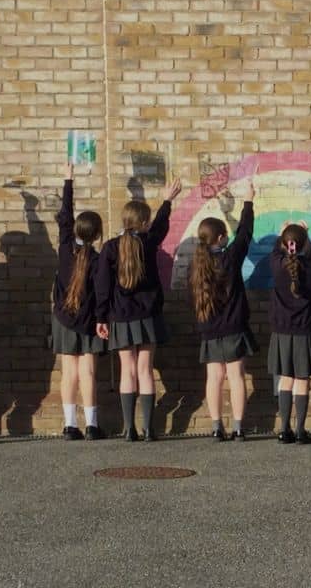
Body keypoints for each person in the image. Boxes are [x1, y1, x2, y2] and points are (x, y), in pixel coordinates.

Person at [96, 178, 184, 442]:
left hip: (121, 316)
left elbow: (102, 286)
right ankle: (148, 429)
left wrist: (101, 317)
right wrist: (167, 200)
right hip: (148, 315)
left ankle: (129, 429)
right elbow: (161, 225)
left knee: (128, 370)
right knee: (145, 370)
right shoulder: (148, 242)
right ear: (144, 223)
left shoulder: (110, 247)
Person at [188, 192, 258, 442]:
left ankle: (217, 427)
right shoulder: (229, 258)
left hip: (209, 329)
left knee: (214, 377)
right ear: (220, 238)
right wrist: (248, 202)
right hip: (234, 327)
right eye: (225, 235)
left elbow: (190, 297)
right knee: (236, 376)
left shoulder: (196, 265)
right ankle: (238, 427)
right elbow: (245, 234)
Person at [50, 160, 106, 441]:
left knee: (68, 372)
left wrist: (68, 180)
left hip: (63, 318)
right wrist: (101, 319)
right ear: (97, 235)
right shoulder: (97, 260)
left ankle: (70, 425)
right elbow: (101, 293)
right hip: (89, 321)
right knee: (89, 372)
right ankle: (92, 425)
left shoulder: (64, 247)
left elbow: (65, 215)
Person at [266, 222, 311, 445]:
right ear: (304, 243)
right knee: (302, 379)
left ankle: (283, 430)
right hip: (305, 329)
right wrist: (305, 235)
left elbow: (276, 251)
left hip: (282, 330)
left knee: (286, 378)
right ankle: (300, 431)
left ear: (284, 243)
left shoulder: (276, 264)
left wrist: (283, 235)